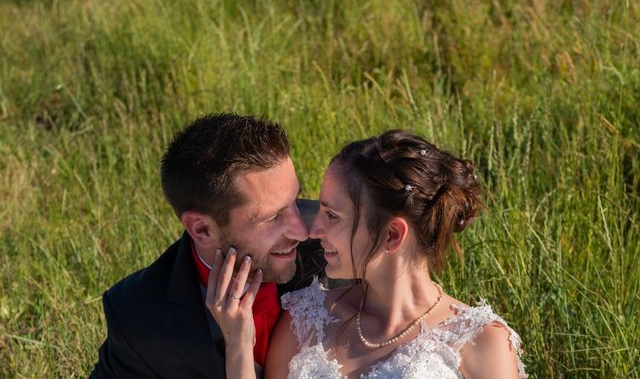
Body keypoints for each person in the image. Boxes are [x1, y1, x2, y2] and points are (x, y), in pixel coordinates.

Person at [209, 130, 527, 378]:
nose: (312, 230)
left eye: (332, 216)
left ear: (392, 235)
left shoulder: (481, 342)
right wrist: (238, 344)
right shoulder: (306, 318)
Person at [90, 113, 325, 378]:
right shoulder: (139, 317)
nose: (301, 231)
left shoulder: (339, 241)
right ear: (201, 229)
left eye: (293, 201)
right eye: (272, 217)